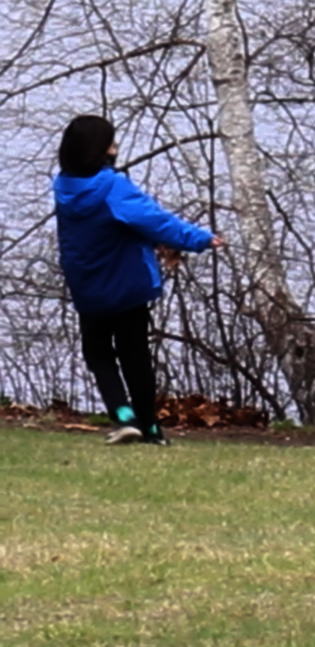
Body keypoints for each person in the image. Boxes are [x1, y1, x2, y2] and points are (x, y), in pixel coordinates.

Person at [52, 114, 223, 446]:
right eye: (111, 143)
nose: (115, 148)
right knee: (135, 357)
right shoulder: (113, 186)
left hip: (87, 286)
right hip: (127, 285)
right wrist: (200, 239)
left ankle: (123, 415)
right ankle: (151, 429)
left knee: (98, 353)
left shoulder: (63, 187)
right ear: (99, 150)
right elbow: (155, 221)